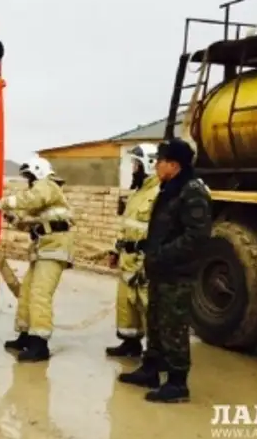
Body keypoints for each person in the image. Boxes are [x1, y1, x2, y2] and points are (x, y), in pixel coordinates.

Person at [117, 138, 211, 403]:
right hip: (160, 269)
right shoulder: (170, 188)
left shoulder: (192, 191)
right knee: (156, 322)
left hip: (177, 272)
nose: (156, 166)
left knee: (173, 326)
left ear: (174, 164)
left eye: (160, 161)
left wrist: (163, 254)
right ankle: (151, 369)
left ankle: (178, 383)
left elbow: (197, 236)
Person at [0, 154, 74, 362]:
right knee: (27, 291)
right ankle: (26, 336)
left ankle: (40, 345)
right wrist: (12, 217)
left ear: (39, 173)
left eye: (30, 177)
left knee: (39, 294)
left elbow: (32, 199)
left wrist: (5, 203)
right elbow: (28, 221)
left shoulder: (48, 185)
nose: (29, 182)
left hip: (54, 248)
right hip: (43, 248)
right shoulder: (43, 196)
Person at [106, 143, 160, 357]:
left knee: (147, 306)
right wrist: (115, 250)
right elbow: (127, 226)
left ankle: (155, 353)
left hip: (143, 259)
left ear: (148, 164)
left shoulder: (157, 193)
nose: (133, 169)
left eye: (136, 164)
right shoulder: (138, 193)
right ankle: (130, 343)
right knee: (126, 304)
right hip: (127, 258)